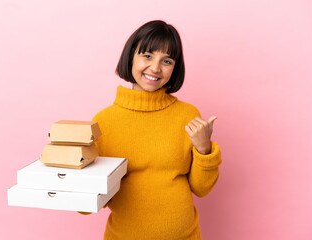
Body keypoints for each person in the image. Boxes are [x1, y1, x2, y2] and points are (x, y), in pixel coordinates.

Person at [82, 20, 222, 240]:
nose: (155, 68)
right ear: (130, 57)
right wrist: (70, 167)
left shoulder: (187, 115)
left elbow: (202, 189)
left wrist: (204, 149)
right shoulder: (103, 122)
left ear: (175, 68)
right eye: (147, 56)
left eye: (166, 61)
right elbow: (87, 204)